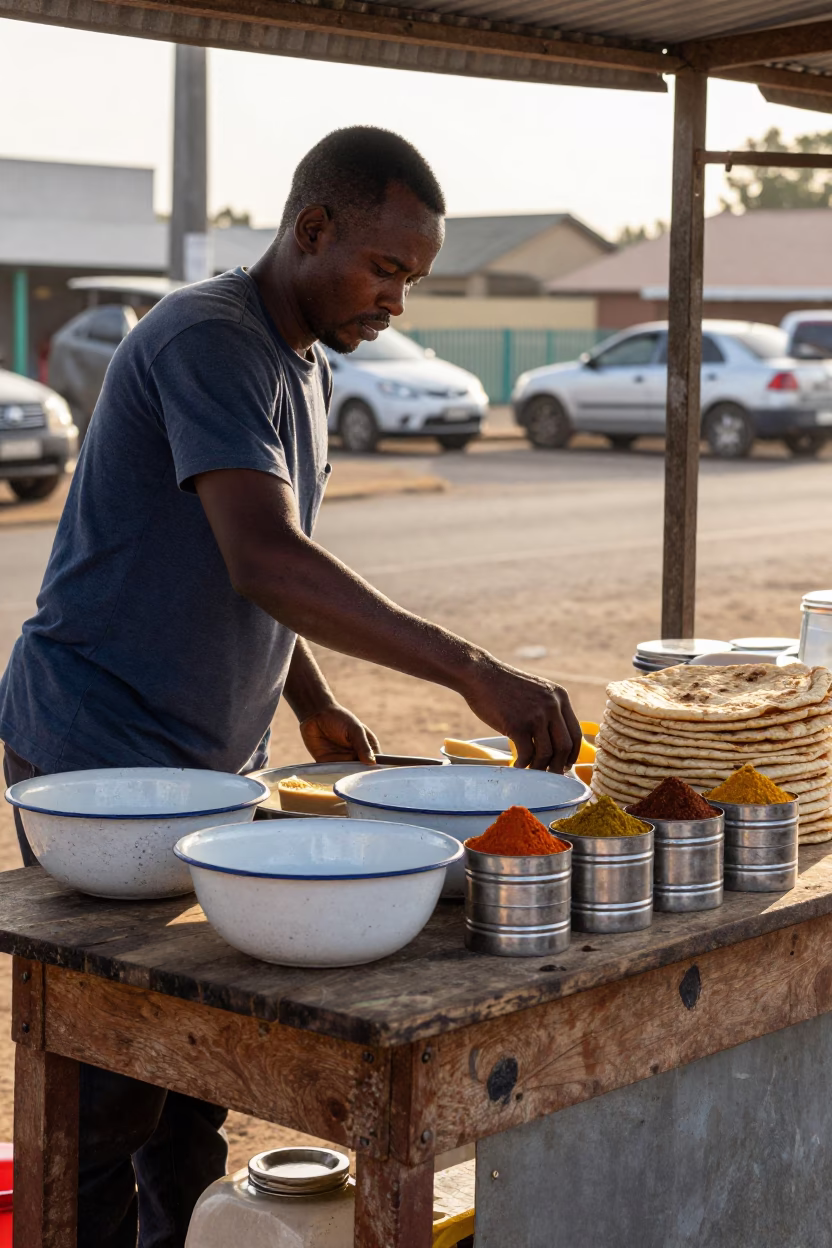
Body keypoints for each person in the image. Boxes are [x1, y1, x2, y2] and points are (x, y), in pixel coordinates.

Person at [0, 126, 581, 1247]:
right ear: (312, 230)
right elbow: (264, 557)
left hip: (204, 769)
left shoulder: (300, 360)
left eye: (411, 280)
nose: (397, 305)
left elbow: (256, 559)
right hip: (95, 757)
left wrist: (306, 694)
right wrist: (471, 670)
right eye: (386, 271)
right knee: (110, 1088)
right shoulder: (208, 341)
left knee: (183, 1082)